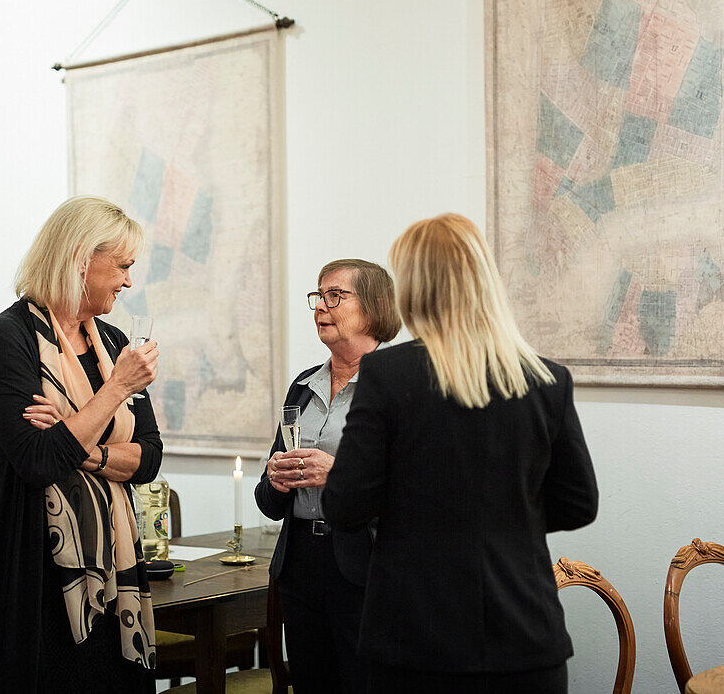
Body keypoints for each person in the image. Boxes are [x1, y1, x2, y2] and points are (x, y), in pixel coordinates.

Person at [322, 214, 598, 694]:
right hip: (525, 636)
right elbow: (578, 504)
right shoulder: (546, 379)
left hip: (414, 639)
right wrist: (503, 520)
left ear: (413, 288)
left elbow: (345, 505)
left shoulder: (388, 374)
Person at [0, 195, 162, 693]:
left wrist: (80, 437)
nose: (127, 281)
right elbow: (38, 461)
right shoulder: (4, 342)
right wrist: (115, 391)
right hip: (31, 571)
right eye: (121, 266)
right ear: (80, 259)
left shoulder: (114, 342)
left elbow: (150, 457)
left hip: (115, 575)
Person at [254, 258, 401, 693]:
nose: (321, 306)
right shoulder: (303, 386)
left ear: (373, 308)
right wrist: (275, 478)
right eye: (318, 296)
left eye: (335, 296)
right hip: (300, 563)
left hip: (365, 564)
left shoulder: (397, 387)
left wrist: (338, 474)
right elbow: (268, 500)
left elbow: (416, 494)